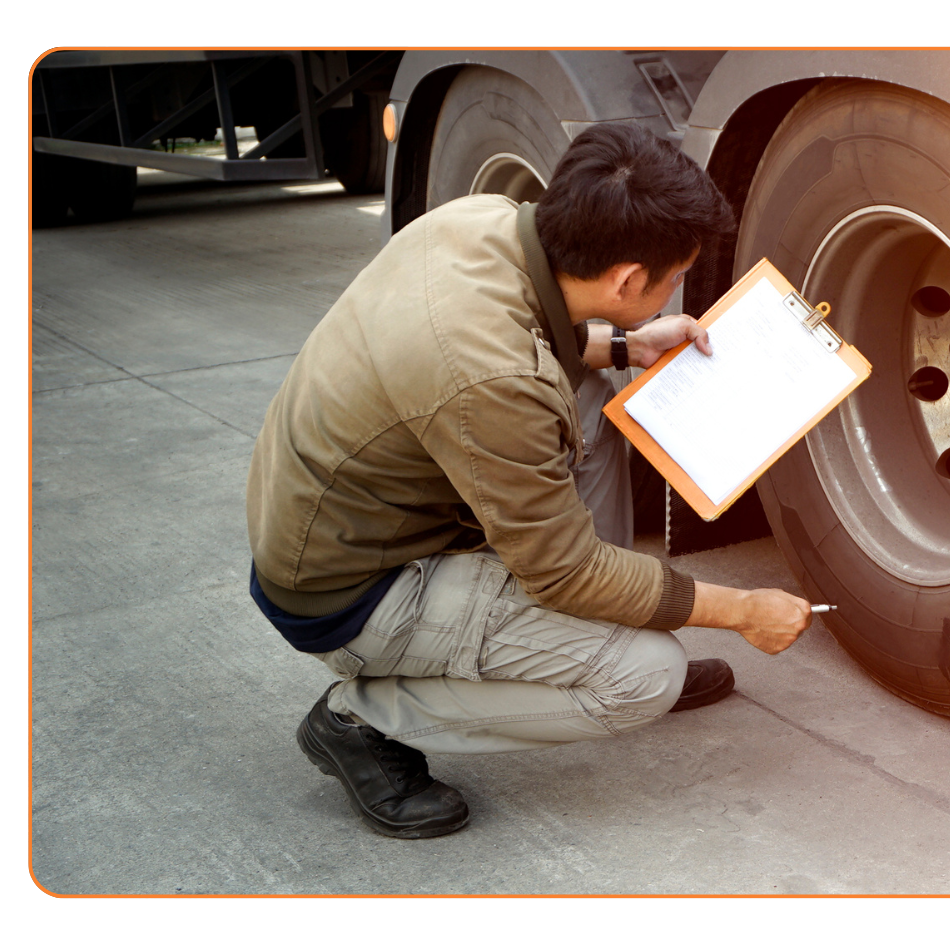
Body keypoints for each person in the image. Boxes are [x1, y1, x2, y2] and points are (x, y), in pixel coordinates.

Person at [246, 123, 812, 839]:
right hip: (353, 592)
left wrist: (627, 343)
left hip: (339, 514)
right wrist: (740, 610)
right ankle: (358, 718)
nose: (674, 294)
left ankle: (599, 623)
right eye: (672, 281)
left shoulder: (482, 220)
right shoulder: (492, 380)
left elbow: (529, 320)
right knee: (644, 675)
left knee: (597, 392)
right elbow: (564, 573)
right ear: (627, 278)